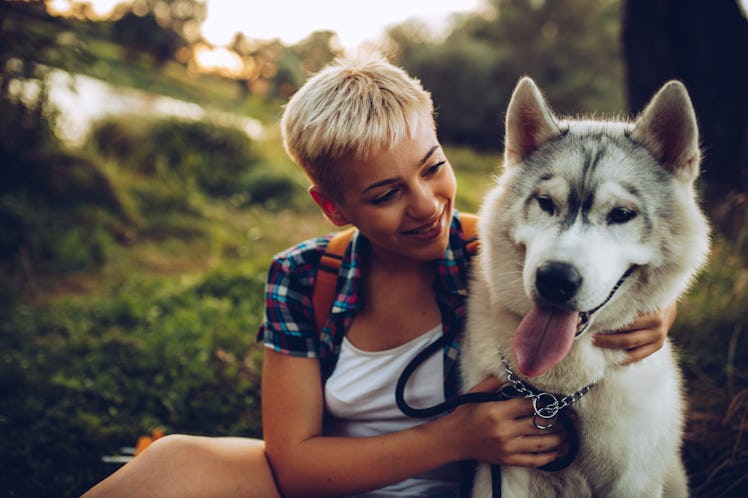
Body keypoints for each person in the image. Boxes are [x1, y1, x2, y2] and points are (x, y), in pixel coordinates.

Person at [81, 53, 677, 498]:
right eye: (387, 192)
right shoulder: (304, 276)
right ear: (334, 207)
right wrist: (457, 437)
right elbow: (292, 464)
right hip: (333, 485)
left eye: (432, 167)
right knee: (171, 461)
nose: (425, 205)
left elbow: (607, 275)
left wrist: (660, 314)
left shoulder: (495, 252)